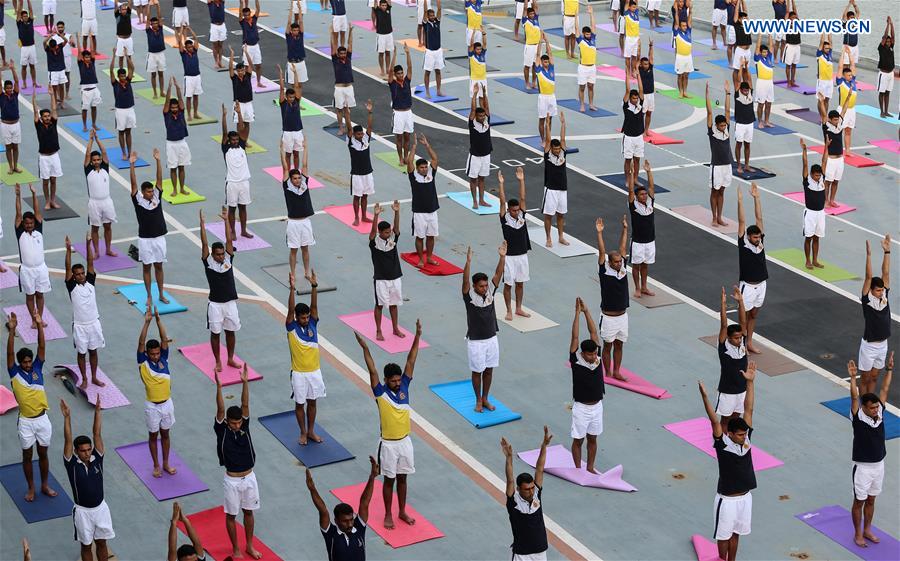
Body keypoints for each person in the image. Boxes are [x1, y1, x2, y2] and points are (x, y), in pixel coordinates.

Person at [356, 319, 422, 529]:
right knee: (389, 480)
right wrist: (365, 348)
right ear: (386, 380)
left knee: (403, 479)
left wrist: (417, 336)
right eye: (393, 381)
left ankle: (402, 511)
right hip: (388, 445)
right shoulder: (380, 392)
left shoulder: (405, 386)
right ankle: (387, 514)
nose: (397, 383)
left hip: (405, 442)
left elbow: (411, 360)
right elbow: (372, 370)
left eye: (398, 380)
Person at [698, 363, 757, 561]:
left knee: (736, 533)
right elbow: (714, 421)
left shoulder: (746, 439)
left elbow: (749, 408)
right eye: (740, 435)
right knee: (723, 536)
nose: (744, 437)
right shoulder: (722, 444)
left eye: (744, 434)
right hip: (727, 500)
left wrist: (750, 383)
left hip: (745, 497)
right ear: (730, 433)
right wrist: (705, 397)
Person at [7, 311, 56, 502]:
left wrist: (39, 323)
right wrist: (12, 331)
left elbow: (42, 346)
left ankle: (44, 485)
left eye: (29, 361)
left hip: (43, 419)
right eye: (25, 362)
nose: (28, 364)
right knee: (27, 455)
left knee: (43, 453)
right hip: (26, 422)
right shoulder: (14, 372)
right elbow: (10, 354)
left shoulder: (37, 368)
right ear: (19, 363)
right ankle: (31, 488)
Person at [214, 365, 261, 560]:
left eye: (239, 422)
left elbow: (245, 404)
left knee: (249, 512)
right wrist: (219, 387)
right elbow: (221, 409)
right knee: (232, 516)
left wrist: (245, 383)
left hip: (249, 477)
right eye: (233, 423)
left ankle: (249, 545)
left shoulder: (245, 425)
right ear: (227, 422)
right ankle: (235, 549)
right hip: (232, 480)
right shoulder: (222, 430)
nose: (237, 425)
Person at [61, 395, 115, 561]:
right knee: (86, 546)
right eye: (83, 450)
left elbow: (96, 434)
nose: (86, 453)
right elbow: (68, 440)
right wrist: (67, 417)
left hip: (101, 509)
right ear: (76, 451)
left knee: (102, 543)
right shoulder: (71, 464)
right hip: (83, 512)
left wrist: (98, 411)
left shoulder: (97, 458)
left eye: (88, 449)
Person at [847, 356, 893, 548]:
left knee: (872, 499)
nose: (876, 409)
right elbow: (854, 397)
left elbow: (884, 389)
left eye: (876, 407)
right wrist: (853, 378)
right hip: (863, 468)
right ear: (864, 408)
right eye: (872, 408)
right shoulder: (857, 417)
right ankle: (858, 533)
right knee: (859, 501)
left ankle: (867, 529)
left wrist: (889, 370)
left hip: (879, 465)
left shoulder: (879, 411)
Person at [462, 243, 506, 412]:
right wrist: (468, 263)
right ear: (474, 286)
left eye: (486, 285)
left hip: (491, 338)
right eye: (481, 286)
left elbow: (498, 274)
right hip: (476, 341)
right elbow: (465, 281)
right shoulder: (468, 296)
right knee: (477, 372)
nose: (485, 288)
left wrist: (502, 257)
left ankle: (486, 398)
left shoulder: (490, 292)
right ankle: (478, 400)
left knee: (489, 371)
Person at [307, 457, 377, 560]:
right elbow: (323, 510)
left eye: (351, 519)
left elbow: (364, 503)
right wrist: (312, 489)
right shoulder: (331, 534)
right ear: (336, 521)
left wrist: (372, 477)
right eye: (345, 521)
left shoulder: (359, 528)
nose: (350, 524)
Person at [200, 208, 242, 374]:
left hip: (230, 303)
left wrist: (226, 221)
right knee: (215, 333)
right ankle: (218, 361)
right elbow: (204, 244)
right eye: (218, 254)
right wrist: (202, 225)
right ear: (212, 254)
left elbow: (228, 239)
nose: (221, 256)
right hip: (215, 305)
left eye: (222, 254)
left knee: (231, 332)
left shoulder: (228, 259)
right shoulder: (208, 262)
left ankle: (230, 358)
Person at [137, 305, 177, 478]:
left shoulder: (164, 358)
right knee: (153, 436)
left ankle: (166, 463)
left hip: (167, 403)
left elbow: (164, 339)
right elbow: (140, 343)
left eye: (157, 353)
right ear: (147, 353)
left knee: (166, 434)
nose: (155, 356)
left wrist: (159, 321)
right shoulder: (143, 362)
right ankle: (156, 465)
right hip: (152, 406)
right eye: (152, 354)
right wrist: (147, 323)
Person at [286, 270, 324, 445]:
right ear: (296, 317)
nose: (306, 319)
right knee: (300, 404)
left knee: (313, 402)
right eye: (303, 318)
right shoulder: (291, 327)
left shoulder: (313, 324)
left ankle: (311, 431)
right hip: (299, 373)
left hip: (314, 371)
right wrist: (292, 289)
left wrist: (314, 286)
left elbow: (314, 307)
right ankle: (302, 432)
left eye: (308, 317)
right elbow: (290, 310)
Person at [501, 426, 551, 561]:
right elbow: (510, 480)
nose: (531, 491)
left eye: (532, 488)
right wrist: (509, 458)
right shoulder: (513, 502)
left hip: (540, 552)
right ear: (518, 489)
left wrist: (544, 446)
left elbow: (539, 468)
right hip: (522, 554)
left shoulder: (536, 495)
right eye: (527, 489)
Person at [65, 235, 105, 390]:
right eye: (78, 274)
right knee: (82, 354)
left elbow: (90, 261)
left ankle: (94, 377)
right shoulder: (72, 287)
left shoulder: (91, 283)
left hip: (94, 323)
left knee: (93, 351)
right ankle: (84, 378)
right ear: (73, 276)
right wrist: (68, 250)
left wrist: (88, 244)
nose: (81, 275)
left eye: (82, 273)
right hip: (80, 326)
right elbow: (67, 267)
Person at [569, 298, 603, 474]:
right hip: (581, 408)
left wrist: (586, 311)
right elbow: (575, 336)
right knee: (578, 440)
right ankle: (577, 470)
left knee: (593, 439)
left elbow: (593, 332)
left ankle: (589, 467)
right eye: (590, 354)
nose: (594, 357)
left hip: (597, 406)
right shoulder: (575, 359)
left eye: (595, 353)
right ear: (583, 353)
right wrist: (577, 313)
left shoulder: (597, 358)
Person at [130, 149, 169, 307]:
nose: (152, 193)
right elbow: (133, 184)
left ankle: (161, 294)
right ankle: (149, 296)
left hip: (159, 238)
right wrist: (132, 165)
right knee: (147, 268)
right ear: (143, 192)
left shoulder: (157, 198)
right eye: (148, 191)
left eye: (152, 191)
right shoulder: (138, 200)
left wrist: (158, 161)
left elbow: (159, 180)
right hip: (145, 239)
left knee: (159, 266)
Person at [595, 216, 629, 381]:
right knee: (607, 345)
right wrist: (599, 233)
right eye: (615, 262)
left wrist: (625, 229)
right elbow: (602, 252)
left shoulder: (622, 268)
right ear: (609, 262)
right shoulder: (604, 270)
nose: (619, 264)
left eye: (620, 262)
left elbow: (622, 247)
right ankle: (607, 372)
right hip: (608, 317)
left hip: (622, 316)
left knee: (619, 344)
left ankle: (616, 371)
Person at [859, 235, 892, 396]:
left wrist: (887, 251)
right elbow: (868, 277)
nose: (881, 292)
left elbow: (886, 272)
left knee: (874, 377)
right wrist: (869, 255)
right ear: (871, 290)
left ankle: (870, 401)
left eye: (881, 290)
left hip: (883, 344)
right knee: (865, 378)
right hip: (869, 346)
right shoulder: (867, 300)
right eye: (878, 290)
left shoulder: (884, 295)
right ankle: (862, 404)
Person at [736, 183, 767, 354]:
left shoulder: (760, 242)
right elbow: (742, 221)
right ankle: (741, 344)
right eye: (755, 237)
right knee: (743, 317)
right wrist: (740, 201)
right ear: (748, 237)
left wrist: (757, 198)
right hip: (747, 286)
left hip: (761, 284)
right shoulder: (743, 243)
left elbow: (759, 218)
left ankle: (749, 342)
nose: (758, 239)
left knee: (754, 315)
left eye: (759, 237)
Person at [498, 168, 531, 321]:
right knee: (508, 285)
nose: (516, 212)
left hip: (522, 255)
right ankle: (509, 310)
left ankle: (518, 308)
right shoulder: (504, 219)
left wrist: (521, 180)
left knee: (520, 284)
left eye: (517, 210)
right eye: (513, 211)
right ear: (508, 210)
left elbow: (523, 198)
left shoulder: (522, 215)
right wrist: (501, 184)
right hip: (509, 257)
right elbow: (501, 201)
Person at [15, 184, 50, 324]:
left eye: (31, 223)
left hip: (41, 269)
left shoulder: (39, 230)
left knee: (40, 294)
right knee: (30, 296)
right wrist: (18, 195)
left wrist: (34, 194)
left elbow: (37, 211)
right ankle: (33, 320)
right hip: (27, 270)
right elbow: (18, 213)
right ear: (23, 224)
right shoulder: (20, 232)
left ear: (35, 223)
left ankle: (39, 318)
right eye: (26, 223)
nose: (29, 225)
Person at [369, 201, 404, 341]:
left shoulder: (393, 239)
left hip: (395, 277)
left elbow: (397, 229)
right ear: (380, 232)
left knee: (394, 304)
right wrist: (376, 215)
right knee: (379, 305)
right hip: (381, 279)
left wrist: (396, 212)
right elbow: (372, 232)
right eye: (386, 232)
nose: (389, 234)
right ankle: (378, 330)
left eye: (390, 232)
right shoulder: (374, 243)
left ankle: (395, 328)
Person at [281, 137, 315, 279]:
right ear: (290, 179)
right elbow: (285, 167)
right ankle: (293, 273)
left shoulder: (304, 185)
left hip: (305, 222)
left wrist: (305, 148)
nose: (297, 180)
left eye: (299, 178)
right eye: (294, 178)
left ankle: (307, 272)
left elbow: (305, 164)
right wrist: (281, 149)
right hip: (293, 223)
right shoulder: (287, 187)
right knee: (294, 250)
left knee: (305, 248)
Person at [716, 286, 748, 426]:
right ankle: (722, 439)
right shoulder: (724, 346)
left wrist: (740, 301)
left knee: (736, 419)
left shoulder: (742, 344)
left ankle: (732, 437)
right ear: (728, 338)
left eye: (740, 337)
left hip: (742, 390)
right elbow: (724, 325)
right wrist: (723, 304)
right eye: (736, 338)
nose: (739, 340)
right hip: (727, 391)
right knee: (725, 421)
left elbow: (743, 322)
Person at [218, 103, 252, 239]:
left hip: (244, 182)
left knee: (243, 207)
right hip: (232, 182)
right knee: (232, 208)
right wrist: (224, 117)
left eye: (237, 139)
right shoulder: (226, 149)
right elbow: (224, 133)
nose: (235, 141)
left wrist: (239, 113)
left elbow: (242, 128)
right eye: (233, 140)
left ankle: (243, 230)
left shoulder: (242, 146)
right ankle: (232, 231)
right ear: (229, 140)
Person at [407, 133, 439, 268]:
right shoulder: (413, 176)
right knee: (420, 237)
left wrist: (427, 145)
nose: (425, 169)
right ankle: (421, 259)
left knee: (431, 236)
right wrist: (414, 147)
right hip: (419, 212)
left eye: (426, 167)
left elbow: (435, 158)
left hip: (432, 211)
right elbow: (409, 162)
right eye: (422, 167)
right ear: (417, 168)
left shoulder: (431, 174)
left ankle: (429, 257)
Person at [799, 138, 829, 269]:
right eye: (816, 175)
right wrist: (804, 150)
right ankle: (808, 260)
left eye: (819, 175)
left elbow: (824, 161)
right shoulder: (807, 180)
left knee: (817, 237)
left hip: (821, 213)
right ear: (811, 174)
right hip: (810, 213)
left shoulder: (822, 179)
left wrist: (826, 147)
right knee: (809, 237)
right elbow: (805, 164)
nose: (818, 177)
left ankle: (815, 260)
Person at [706, 81, 732, 227]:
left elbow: (727, 110)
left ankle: (720, 217)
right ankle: (714, 217)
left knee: (722, 191)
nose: (723, 127)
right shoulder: (712, 131)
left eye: (724, 125)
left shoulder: (727, 130)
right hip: (716, 166)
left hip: (727, 165)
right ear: (716, 125)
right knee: (714, 191)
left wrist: (727, 93)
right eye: (721, 125)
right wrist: (707, 95)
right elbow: (709, 112)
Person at [628, 160, 656, 297]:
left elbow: (651, 187)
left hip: (650, 240)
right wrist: (632, 174)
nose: (644, 196)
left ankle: (644, 287)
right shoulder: (633, 206)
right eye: (642, 194)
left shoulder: (650, 203)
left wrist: (649, 171)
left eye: (645, 194)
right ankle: (637, 288)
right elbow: (630, 191)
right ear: (637, 197)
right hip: (638, 241)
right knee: (636, 265)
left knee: (645, 264)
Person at [541, 112, 568, 247]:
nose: (557, 150)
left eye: (558, 149)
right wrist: (547, 124)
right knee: (549, 215)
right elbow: (548, 139)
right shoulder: (547, 154)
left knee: (561, 214)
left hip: (562, 188)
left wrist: (563, 123)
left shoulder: (563, 152)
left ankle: (561, 237)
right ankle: (548, 238)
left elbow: (562, 139)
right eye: (555, 149)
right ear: (551, 148)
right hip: (550, 189)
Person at [819, 96, 850, 208]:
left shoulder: (839, 124)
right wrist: (821, 101)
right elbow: (823, 114)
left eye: (838, 119)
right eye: (835, 120)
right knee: (827, 182)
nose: (837, 121)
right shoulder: (826, 127)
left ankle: (832, 200)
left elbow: (844, 110)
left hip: (840, 159)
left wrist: (848, 97)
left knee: (836, 181)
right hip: (830, 160)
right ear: (830, 120)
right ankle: (826, 201)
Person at [32, 89, 62, 210]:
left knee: (53, 180)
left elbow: (54, 109)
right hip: (44, 157)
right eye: (45, 116)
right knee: (45, 181)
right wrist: (33, 99)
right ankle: (47, 201)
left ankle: (53, 201)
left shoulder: (53, 123)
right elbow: (35, 111)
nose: (48, 117)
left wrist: (52, 95)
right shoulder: (38, 125)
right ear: (41, 118)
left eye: (48, 116)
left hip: (54, 156)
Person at [163, 77, 190, 197]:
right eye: (172, 107)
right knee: (173, 168)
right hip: (171, 144)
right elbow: (167, 102)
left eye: (176, 107)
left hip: (182, 142)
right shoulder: (166, 114)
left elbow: (180, 99)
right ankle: (174, 189)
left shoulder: (181, 112)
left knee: (182, 166)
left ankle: (182, 188)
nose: (174, 109)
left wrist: (178, 88)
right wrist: (169, 88)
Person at [349, 101, 375, 226]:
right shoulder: (351, 142)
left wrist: (370, 112)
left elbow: (369, 126)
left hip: (368, 172)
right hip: (357, 174)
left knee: (365, 196)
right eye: (358, 134)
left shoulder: (366, 139)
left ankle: (364, 216)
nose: (360, 135)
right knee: (357, 196)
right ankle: (356, 217)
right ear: (354, 134)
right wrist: (347, 114)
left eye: (361, 133)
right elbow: (349, 127)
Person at [467, 84, 492, 209]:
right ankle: (474, 201)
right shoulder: (472, 123)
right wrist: (475, 94)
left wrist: (485, 93)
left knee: (482, 178)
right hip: (475, 156)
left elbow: (486, 107)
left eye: (483, 116)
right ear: (476, 116)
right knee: (473, 179)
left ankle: (481, 200)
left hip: (486, 155)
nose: (482, 117)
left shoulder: (486, 121)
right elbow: (473, 109)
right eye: (480, 116)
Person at [388, 44, 414, 166]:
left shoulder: (407, 80)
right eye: (398, 73)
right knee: (399, 138)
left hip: (408, 112)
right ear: (395, 74)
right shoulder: (392, 83)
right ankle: (400, 158)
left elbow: (410, 67)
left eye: (402, 73)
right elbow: (390, 70)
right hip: (398, 113)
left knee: (407, 136)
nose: (401, 75)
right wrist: (394, 54)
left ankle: (406, 156)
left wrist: (408, 53)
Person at [278, 65, 305, 173]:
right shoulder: (283, 103)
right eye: (290, 97)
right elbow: (281, 88)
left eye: (293, 97)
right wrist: (281, 74)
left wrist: (295, 72)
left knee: (296, 153)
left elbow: (297, 86)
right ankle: (288, 172)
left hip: (298, 131)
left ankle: (296, 171)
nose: (292, 99)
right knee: (288, 154)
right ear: (286, 96)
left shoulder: (297, 101)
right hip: (287, 132)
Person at [621, 67, 645, 188]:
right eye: (633, 98)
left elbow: (641, 89)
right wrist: (627, 75)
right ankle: (627, 180)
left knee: (637, 159)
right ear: (630, 98)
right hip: (629, 138)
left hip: (639, 137)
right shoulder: (626, 106)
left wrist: (638, 75)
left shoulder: (640, 105)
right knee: (628, 160)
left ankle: (635, 179)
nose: (636, 100)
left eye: (637, 98)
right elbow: (627, 89)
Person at [110, 54, 136, 160]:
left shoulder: (128, 81)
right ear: (118, 76)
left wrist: (127, 56)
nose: (123, 78)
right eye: (121, 76)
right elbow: (111, 70)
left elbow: (132, 68)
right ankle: (123, 153)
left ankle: (129, 152)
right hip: (120, 110)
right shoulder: (115, 84)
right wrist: (113, 57)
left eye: (124, 76)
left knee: (128, 132)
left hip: (130, 109)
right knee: (121, 132)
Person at [331, 26, 355, 136]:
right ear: (338, 54)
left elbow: (350, 44)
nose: (343, 55)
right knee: (339, 109)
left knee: (348, 109)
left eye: (344, 53)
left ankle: (348, 127)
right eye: (341, 53)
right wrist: (332, 34)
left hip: (349, 87)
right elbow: (333, 46)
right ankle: (341, 127)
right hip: (339, 88)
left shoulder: (348, 58)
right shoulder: (335, 60)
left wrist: (350, 31)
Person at [733, 60, 755, 174]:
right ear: (741, 89)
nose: (746, 92)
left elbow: (749, 79)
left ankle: (746, 165)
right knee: (739, 144)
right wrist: (741, 66)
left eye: (747, 90)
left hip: (750, 123)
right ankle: (738, 166)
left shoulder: (750, 92)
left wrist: (746, 66)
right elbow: (738, 80)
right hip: (740, 124)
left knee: (747, 145)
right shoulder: (737, 94)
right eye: (745, 90)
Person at [228, 47, 254, 144]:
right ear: (236, 71)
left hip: (248, 103)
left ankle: (245, 140)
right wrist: (232, 54)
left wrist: (246, 52)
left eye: (242, 70)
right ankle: (239, 141)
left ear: (244, 70)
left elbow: (250, 64)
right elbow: (230, 67)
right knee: (239, 124)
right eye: (239, 71)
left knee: (247, 123)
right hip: (239, 104)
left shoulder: (248, 75)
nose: (241, 72)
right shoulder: (234, 78)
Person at [534, 33, 557, 140]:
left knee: (550, 119)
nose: (547, 63)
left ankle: (548, 137)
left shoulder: (551, 68)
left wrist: (547, 41)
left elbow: (550, 53)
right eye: (545, 62)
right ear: (542, 62)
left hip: (552, 96)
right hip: (543, 97)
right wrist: (540, 42)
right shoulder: (539, 70)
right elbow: (538, 55)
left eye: (548, 61)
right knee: (542, 119)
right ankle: (543, 139)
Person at [176, 27, 202, 121]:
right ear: (186, 48)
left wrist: (190, 29)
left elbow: (196, 39)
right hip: (188, 78)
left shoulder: (195, 51)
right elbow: (180, 42)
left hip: (197, 76)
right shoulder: (183, 54)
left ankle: (195, 113)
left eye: (191, 46)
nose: (191, 48)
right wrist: (181, 30)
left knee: (196, 96)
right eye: (189, 47)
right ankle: (189, 115)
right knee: (188, 97)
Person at [1, 63, 22, 174]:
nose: (9, 89)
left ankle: (15, 166)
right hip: (5, 125)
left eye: (11, 88)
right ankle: (10, 167)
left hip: (16, 124)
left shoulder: (15, 94)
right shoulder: (1, 96)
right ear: (4, 89)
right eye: (7, 88)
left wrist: (13, 69)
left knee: (15, 147)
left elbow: (17, 81)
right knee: (8, 147)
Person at [576, 7, 598, 112]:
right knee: (582, 87)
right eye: (587, 34)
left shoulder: (593, 38)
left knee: (591, 86)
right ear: (583, 34)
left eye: (590, 34)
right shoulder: (580, 40)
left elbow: (593, 26)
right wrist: (575, 17)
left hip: (592, 67)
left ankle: (591, 104)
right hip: (583, 68)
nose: (589, 35)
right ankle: (582, 105)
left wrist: (591, 13)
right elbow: (576, 29)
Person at [422, 0, 444, 98]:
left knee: (438, 71)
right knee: (428, 72)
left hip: (438, 51)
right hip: (430, 52)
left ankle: (438, 90)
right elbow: (425, 11)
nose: (432, 16)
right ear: (427, 16)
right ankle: (427, 91)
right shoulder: (425, 24)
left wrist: (438, 1)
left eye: (433, 15)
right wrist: (425, 2)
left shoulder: (437, 22)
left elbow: (439, 9)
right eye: (430, 15)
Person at [284, 2, 309, 90]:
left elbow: (301, 21)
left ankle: (299, 97)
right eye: (294, 30)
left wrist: (300, 9)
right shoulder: (288, 36)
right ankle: (295, 97)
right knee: (293, 85)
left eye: (297, 30)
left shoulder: (300, 35)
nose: (296, 32)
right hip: (292, 63)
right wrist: (291, 8)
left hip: (301, 62)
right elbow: (289, 22)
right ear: (291, 30)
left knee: (300, 85)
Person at [752, 34, 774, 128]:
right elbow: (757, 46)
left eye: (766, 52)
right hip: (761, 83)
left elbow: (771, 46)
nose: (765, 53)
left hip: (769, 83)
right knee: (761, 104)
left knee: (769, 103)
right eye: (764, 52)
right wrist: (760, 34)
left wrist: (770, 35)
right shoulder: (757, 58)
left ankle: (767, 121)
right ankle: (760, 121)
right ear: (760, 52)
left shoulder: (769, 57)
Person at [145, 6, 167, 99]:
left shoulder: (160, 29)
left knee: (161, 73)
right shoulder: (148, 31)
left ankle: (161, 91)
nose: (155, 25)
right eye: (153, 23)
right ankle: (155, 92)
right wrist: (149, 7)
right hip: (152, 55)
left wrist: (158, 6)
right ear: (150, 24)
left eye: (156, 23)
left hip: (161, 54)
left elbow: (159, 16)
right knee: (153, 74)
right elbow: (147, 18)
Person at [240, 0, 263, 88]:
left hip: (256, 46)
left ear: (250, 13)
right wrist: (241, 4)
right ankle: (247, 82)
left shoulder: (254, 19)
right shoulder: (242, 22)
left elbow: (258, 9)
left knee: (258, 65)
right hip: (247, 46)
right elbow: (239, 14)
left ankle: (258, 82)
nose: (246, 16)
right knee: (247, 66)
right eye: (245, 15)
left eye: (248, 14)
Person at [16, 1, 38, 90]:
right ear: (21, 17)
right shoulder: (19, 23)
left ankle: (34, 82)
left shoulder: (31, 21)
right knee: (24, 66)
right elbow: (18, 11)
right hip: (24, 48)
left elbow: (31, 10)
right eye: (24, 16)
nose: (26, 17)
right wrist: (21, 3)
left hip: (32, 47)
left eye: (26, 16)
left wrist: (28, 1)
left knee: (32, 66)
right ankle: (24, 83)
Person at [77, 49, 101, 132]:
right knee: (85, 108)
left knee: (94, 107)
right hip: (85, 89)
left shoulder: (92, 62)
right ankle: (84, 125)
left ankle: (94, 124)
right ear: (83, 58)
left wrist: (91, 40)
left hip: (94, 88)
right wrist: (78, 42)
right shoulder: (80, 64)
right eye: (86, 57)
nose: (88, 59)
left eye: (89, 57)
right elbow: (79, 53)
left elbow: (93, 51)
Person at [731, 1, 752, 91]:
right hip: (740, 50)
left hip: (748, 51)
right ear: (739, 19)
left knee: (745, 70)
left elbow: (745, 11)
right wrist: (738, 2)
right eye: (743, 18)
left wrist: (743, 1)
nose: (745, 19)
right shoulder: (737, 24)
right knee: (736, 69)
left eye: (745, 18)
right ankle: (736, 86)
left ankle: (745, 86)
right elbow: (736, 13)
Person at [673, 7, 693, 98]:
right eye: (683, 26)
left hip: (688, 57)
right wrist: (676, 12)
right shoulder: (677, 32)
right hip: (680, 57)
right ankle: (680, 92)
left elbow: (689, 21)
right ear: (680, 27)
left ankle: (685, 91)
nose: (685, 27)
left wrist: (690, 12)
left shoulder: (689, 31)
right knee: (680, 76)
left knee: (686, 75)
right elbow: (676, 23)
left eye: (685, 26)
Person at [877, 17, 894, 118]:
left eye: (889, 41)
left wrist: (892, 24)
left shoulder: (891, 47)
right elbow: (885, 36)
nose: (888, 42)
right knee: (882, 93)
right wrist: (887, 24)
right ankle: (881, 112)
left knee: (888, 92)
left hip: (891, 74)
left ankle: (886, 111)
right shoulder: (881, 48)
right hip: (883, 74)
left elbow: (893, 36)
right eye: (887, 41)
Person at [521, 1, 540, 91]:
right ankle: (527, 83)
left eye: (533, 13)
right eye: (530, 14)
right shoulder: (525, 21)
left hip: (537, 46)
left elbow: (536, 7)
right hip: (529, 47)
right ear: (527, 15)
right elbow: (525, 9)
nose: (532, 15)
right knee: (527, 66)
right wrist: (526, 2)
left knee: (535, 65)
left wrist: (534, 1)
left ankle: (533, 82)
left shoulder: (536, 19)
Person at [43, 34, 66, 107]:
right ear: (50, 47)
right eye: (52, 48)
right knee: (54, 88)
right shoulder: (48, 49)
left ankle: (62, 102)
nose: (54, 49)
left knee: (62, 86)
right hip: (52, 71)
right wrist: (50, 35)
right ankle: (55, 101)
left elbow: (66, 40)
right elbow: (44, 42)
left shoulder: (60, 46)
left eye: (55, 47)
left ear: (56, 45)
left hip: (61, 69)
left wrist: (60, 35)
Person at [373, 0, 394, 78]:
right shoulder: (377, 10)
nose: (384, 7)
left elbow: (389, 1)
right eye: (383, 5)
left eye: (385, 5)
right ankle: (382, 69)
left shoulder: (389, 9)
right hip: (381, 35)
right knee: (381, 53)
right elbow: (375, 3)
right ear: (380, 5)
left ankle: (387, 68)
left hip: (389, 34)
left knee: (388, 52)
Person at [782, 2, 801, 88]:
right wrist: (788, 2)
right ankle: (788, 81)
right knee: (788, 65)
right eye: (792, 17)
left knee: (794, 64)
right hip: (789, 46)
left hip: (797, 46)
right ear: (789, 18)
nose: (794, 18)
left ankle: (792, 81)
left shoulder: (798, 23)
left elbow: (795, 10)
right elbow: (787, 12)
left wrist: (793, 1)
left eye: (795, 17)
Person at [638, 39, 654, 133]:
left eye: (647, 64)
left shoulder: (650, 67)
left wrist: (651, 46)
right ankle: (640, 130)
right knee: (641, 113)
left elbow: (651, 56)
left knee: (649, 112)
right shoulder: (639, 69)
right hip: (643, 95)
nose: (647, 65)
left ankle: (646, 130)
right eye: (645, 64)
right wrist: (639, 46)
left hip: (651, 94)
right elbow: (637, 57)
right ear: (641, 64)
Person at [468, 29, 488, 102]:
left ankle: (482, 109)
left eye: (480, 49)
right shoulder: (471, 55)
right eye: (477, 49)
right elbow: (471, 45)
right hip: (474, 79)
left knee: (482, 97)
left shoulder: (483, 54)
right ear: (474, 49)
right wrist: (473, 34)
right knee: (474, 97)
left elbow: (484, 44)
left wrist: (484, 34)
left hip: (483, 79)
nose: (479, 51)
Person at [113, 1, 133, 69]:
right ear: (120, 10)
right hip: (121, 40)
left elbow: (130, 2)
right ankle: (121, 71)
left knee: (129, 57)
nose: (124, 11)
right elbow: (115, 5)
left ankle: (130, 71)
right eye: (123, 9)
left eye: (125, 9)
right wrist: (116, 2)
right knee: (121, 57)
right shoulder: (117, 16)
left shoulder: (128, 14)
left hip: (129, 39)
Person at [622, 0, 639, 75]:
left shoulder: (636, 13)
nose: (634, 8)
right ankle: (628, 71)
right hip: (629, 39)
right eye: (633, 7)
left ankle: (633, 71)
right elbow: (626, 3)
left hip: (636, 38)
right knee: (628, 57)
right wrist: (628, 2)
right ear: (629, 7)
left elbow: (637, 3)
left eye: (635, 7)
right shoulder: (627, 14)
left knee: (634, 56)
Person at [207, 0, 226, 69]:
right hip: (214, 26)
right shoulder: (210, 3)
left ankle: (220, 61)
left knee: (220, 45)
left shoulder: (222, 2)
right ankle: (216, 62)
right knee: (215, 45)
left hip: (222, 25)